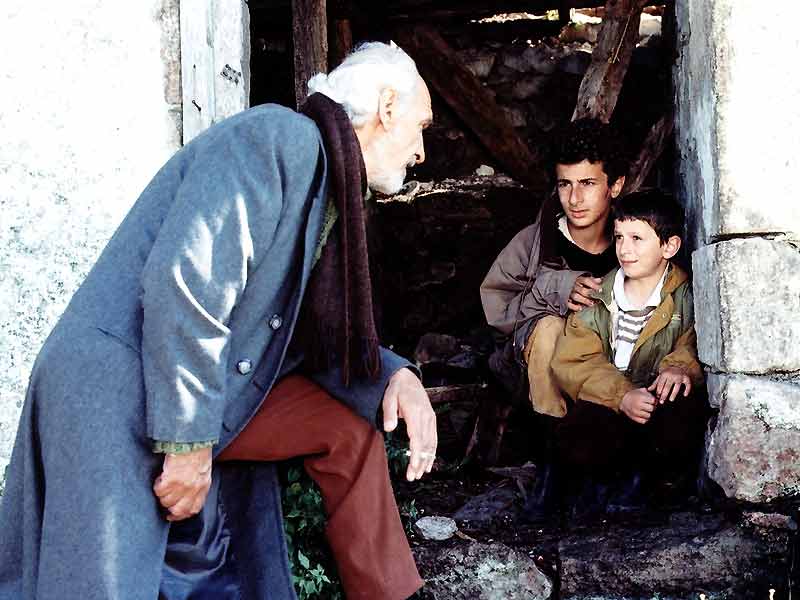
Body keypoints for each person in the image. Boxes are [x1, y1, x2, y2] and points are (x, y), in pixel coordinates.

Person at [0, 42, 436, 600]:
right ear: (388, 107)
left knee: (344, 428)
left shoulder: (330, 187)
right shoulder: (279, 138)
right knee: (100, 584)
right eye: (421, 127)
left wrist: (395, 376)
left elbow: (306, 333)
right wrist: (188, 443)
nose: (421, 151)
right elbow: (186, 281)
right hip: (123, 385)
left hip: (204, 384)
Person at [479, 118, 627, 497]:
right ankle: (554, 465)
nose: (574, 198)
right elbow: (497, 311)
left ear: (615, 185)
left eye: (588, 183)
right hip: (536, 372)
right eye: (565, 184)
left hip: (608, 371)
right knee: (549, 330)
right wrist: (555, 287)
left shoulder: (632, 241)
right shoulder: (534, 242)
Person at [550, 189, 707, 513]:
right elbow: (575, 360)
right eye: (619, 237)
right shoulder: (597, 296)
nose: (624, 249)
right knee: (577, 434)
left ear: (669, 246)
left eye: (637, 238)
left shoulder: (686, 294)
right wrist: (621, 396)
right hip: (612, 399)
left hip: (656, 398)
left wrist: (679, 367)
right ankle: (599, 487)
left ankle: (652, 486)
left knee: (678, 412)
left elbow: (693, 339)